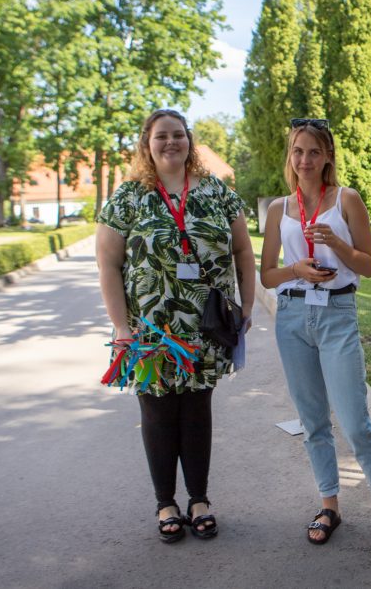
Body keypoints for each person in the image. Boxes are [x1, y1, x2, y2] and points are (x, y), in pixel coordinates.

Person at [260, 118, 371, 549]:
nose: (305, 160)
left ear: (328, 156)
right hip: (293, 317)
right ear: (290, 155)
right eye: (298, 151)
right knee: (314, 422)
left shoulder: (346, 199)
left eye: (314, 151)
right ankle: (329, 505)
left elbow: (368, 266)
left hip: (336, 312)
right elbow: (267, 275)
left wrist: (335, 242)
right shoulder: (279, 208)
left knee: (355, 422)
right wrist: (297, 270)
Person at [96, 109, 255, 544]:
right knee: (158, 412)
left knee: (198, 411)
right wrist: (121, 327)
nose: (171, 143)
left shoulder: (216, 193)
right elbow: (108, 265)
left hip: (205, 327)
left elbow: (243, 251)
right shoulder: (128, 197)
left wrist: (246, 307)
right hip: (149, 334)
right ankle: (165, 502)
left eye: (179, 135)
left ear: (190, 141)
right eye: (161, 136)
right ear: (147, 144)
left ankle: (199, 500)